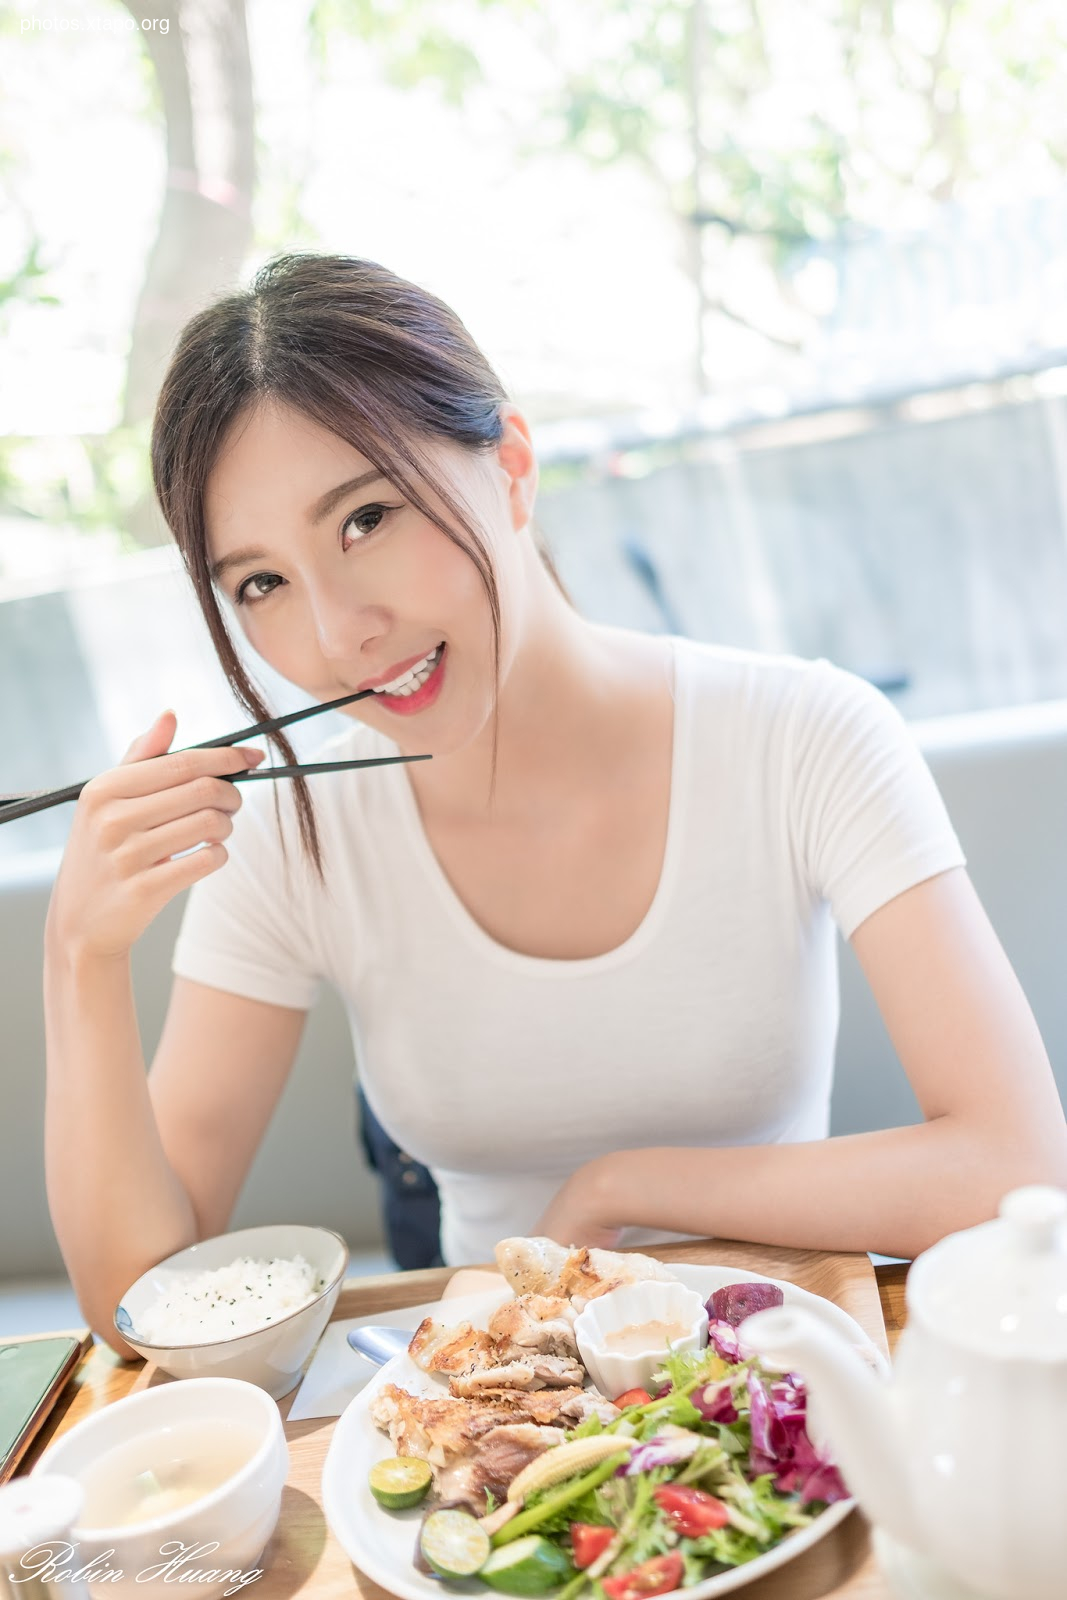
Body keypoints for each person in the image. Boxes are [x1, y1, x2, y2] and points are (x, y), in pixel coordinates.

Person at [43, 253, 1067, 1357]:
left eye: (366, 517)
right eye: (261, 583)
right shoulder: (295, 833)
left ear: (514, 468)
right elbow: (137, 1301)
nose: (337, 634)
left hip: (780, 1367)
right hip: (494, 1404)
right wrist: (78, 959)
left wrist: (619, 1186)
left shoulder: (803, 736)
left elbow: (1014, 1167)